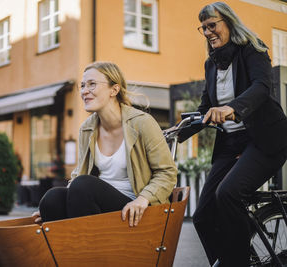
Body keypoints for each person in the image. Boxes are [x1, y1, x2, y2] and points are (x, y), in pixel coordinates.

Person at [189, 2, 287, 266]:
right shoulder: (211, 65)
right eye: (204, 28)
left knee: (229, 193)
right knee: (203, 214)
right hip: (231, 143)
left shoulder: (252, 49)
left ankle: (238, 261)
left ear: (229, 22)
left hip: (265, 140)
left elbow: (261, 87)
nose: (208, 32)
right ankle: (227, 260)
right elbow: (205, 108)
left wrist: (233, 107)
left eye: (213, 25)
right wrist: (177, 130)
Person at [32, 61, 177, 227]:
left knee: (83, 186)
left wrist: (143, 199)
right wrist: (55, 206)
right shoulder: (87, 128)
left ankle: (85, 249)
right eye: (83, 85)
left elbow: (167, 172)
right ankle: (67, 251)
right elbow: (80, 172)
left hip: (135, 206)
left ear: (114, 90)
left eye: (92, 84)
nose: (85, 91)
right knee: (52, 199)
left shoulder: (142, 123)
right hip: (98, 205)